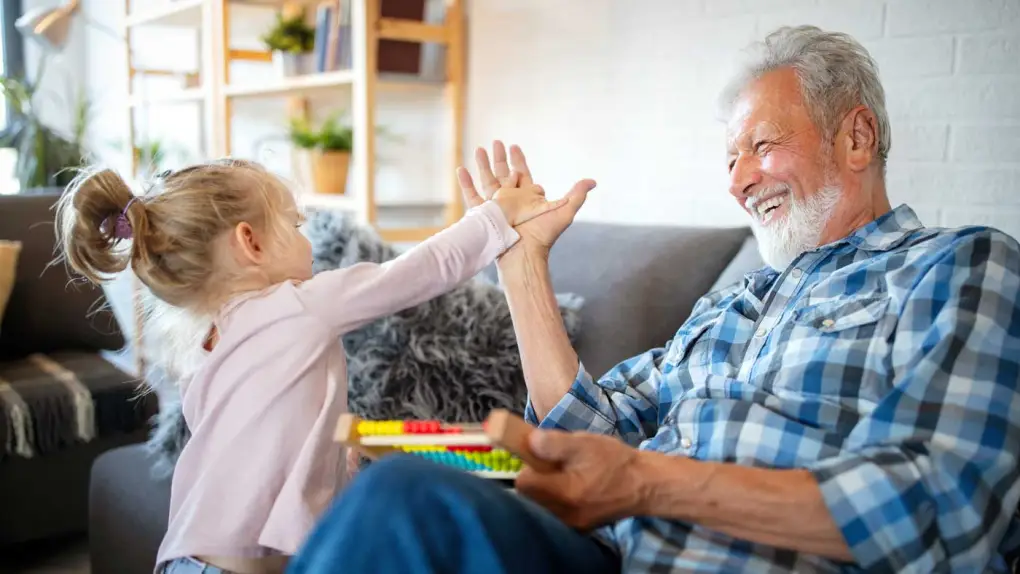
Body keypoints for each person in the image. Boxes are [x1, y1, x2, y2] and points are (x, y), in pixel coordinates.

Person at [284, 25, 1020, 574]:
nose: (738, 180)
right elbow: (585, 430)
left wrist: (643, 480)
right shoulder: (733, 305)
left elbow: (944, 507)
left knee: (400, 502)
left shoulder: (956, 266)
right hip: (608, 557)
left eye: (761, 146)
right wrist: (521, 266)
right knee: (398, 476)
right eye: (731, 159)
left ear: (856, 137)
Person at [54, 157, 572, 574]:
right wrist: (497, 215)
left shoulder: (207, 347)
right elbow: (421, 270)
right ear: (249, 242)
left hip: (185, 557)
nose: (308, 240)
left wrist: (334, 462)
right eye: (295, 225)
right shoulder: (297, 304)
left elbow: (268, 451)